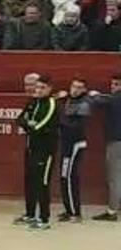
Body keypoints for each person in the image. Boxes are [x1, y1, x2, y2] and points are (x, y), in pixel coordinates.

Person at [15, 75, 59, 230]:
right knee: (30, 182)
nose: (38, 90)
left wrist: (29, 125)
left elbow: (39, 127)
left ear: (49, 88)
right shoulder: (33, 102)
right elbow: (19, 119)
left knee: (42, 184)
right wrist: (28, 124)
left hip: (45, 151)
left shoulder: (52, 103)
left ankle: (44, 219)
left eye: (42, 88)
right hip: (31, 148)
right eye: (37, 87)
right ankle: (30, 214)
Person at [56, 77, 92, 222]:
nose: (75, 89)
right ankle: (69, 209)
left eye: (79, 87)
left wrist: (60, 116)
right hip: (66, 144)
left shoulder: (84, 104)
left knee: (70, 177)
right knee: (65, 176)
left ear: (84, 90)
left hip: (75, 144)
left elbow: (75, 126)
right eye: (74, 86)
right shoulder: (68, 100)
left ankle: (75, 213)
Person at [89, 74, 121, 221]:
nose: (113, 87)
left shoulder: (113, 99)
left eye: (116, 84)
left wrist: (94, 94)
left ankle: (112, 211)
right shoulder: (112, 99)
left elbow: (97, 100)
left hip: (116, 142)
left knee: (114, 177)